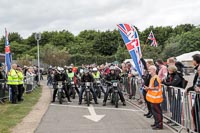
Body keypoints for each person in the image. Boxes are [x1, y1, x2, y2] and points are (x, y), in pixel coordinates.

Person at [145, 65, 163, 130]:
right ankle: (156, 123)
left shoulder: (155, 77)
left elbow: (157, 87)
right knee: (155, 112)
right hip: (153, 98)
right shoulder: (153, 77)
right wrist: (148, 89)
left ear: (154, 70)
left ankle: (159, 125)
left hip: (156, 98)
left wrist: (149, 88)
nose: (148, 70)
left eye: (150, 69)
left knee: (157, 112)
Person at [185, 54, 200, 132]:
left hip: (198, 93)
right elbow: (195, 83)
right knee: (194, 110)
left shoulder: (199, 69)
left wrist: (192, 88)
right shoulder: (197, 69)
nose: (192, 61)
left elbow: (197, 83)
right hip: (197, 93)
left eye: (193, 60)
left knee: (195, 111)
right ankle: (196, 127)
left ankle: (197, 128)